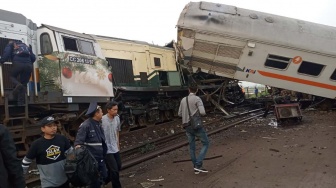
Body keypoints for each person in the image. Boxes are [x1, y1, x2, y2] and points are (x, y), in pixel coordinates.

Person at [22, 116, 71, 188]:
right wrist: (20, 179)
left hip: (64, 181)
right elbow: (26, 162)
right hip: (48, 184)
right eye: (50, 126)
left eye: (54, 125)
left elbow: (71, 153)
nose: (53, 128)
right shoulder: (36, 144)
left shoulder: (62, 139)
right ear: (43, 129)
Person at [74, 102, 108, 188]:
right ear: (96, 113)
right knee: (94, 182)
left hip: (100, 157)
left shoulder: (98, 124)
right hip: (91, 160)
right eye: (101, 112)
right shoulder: (86, 125)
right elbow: (78, 144)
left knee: (104, 176)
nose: (102, 113)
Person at [178, 85, 209, 174]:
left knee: (192, 147)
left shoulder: (183, 99)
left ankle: (196, 167)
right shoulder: (197, 99)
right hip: (196, 125)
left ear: (189, 90)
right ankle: (198, 164)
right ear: (197, 90)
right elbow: (203, 112)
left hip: (186, 126)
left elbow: (179, 114)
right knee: (206, 143)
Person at [0, 40, 36, 105]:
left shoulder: (11, 44)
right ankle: (20, 103)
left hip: (17, 64)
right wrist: (28, 63)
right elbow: (33, 58)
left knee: (12, 76)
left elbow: (6, 54)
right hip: (28, 65)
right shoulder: (26, 46)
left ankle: (17, 84)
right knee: (24, 83)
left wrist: (1, 61)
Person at [102, 101, 122, 188]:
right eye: (114, 110)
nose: (116, 111)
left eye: (117, 109)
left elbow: (117, 130)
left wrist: (118, 143)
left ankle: (105, 179)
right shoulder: (102, 120)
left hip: (115, 146)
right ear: (108, 110)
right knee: (114, 170)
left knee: (118, 166)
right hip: (106, 148)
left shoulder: (117, 118)